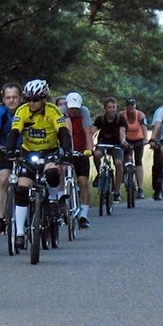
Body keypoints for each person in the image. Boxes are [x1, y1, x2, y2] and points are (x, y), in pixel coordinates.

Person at [5, 79, 72, 250]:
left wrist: (67, 151)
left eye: (35, 100)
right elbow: (14, 132)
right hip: (29, 152)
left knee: (52, 174)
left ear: (43, 99)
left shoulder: (53, 111)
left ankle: (52, 200)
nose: (31, 103)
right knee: (22, 188)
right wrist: (10, 150)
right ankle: (20, 233)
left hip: (49, 151)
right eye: (28, 99)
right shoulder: (22, 111)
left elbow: (63, 132)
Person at [0, 82, 22, 235]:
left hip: (26, 150)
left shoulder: (26, 111)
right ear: (3, 99)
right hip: (7, 151)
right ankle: (2, 219)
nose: (11, 100)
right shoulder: (0, 112)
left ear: (21, 98)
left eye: (15, 97)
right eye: (8, 97)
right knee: (3, 179)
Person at [65, 92, 94, 228]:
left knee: (83, 182)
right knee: (60, 173)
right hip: (65, 150)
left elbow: (88, 131)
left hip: (80, 150)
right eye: (71, 108)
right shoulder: (60, 112)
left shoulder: (84, 112)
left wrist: (89, 150)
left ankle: (83, 215)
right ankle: (61, 203)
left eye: (76, 108)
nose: (74, 111)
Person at [92, 97, 128, 203]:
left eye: (114, 107)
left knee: (118, 163)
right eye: (109, 107)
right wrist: (89, 141)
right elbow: (92, 132)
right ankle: (100, 173)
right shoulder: (100, 119)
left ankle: (116, 192)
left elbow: (122, 132)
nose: (112, 109)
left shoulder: (120, 119)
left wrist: (123, 141)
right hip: (103, 142)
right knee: (97, 154)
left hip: (116, 144)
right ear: (105, 109)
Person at [121, 97, 149, 199]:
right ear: (126, 106)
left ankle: (140, 188)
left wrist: (145, 139)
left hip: (138, 139)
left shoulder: (140, 115)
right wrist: (122, 140)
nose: (130, 107)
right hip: (126, 139)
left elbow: (144, 127)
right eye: (128, 105)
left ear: (135, 106)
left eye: (132, 105)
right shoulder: (122, 115)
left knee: (138, 162)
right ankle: (124, 175)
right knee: (124, 159)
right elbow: (120, 129)